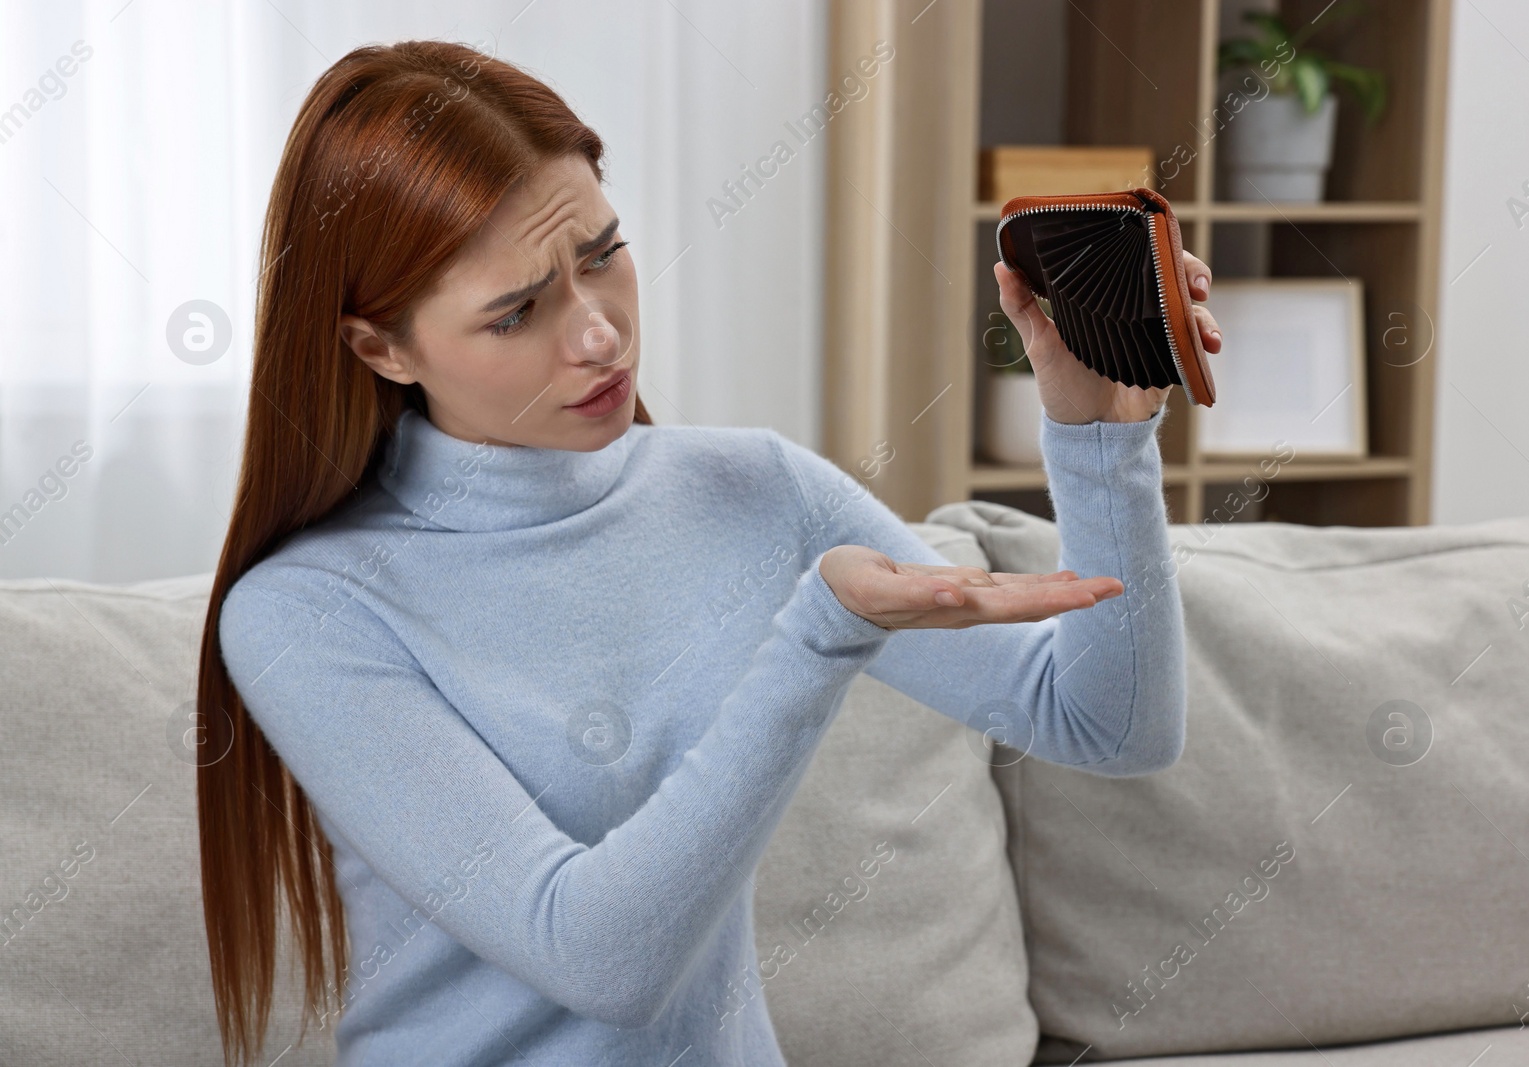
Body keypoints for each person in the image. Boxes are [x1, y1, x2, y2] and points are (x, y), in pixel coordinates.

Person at [195, 39, 1222, 1067]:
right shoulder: (305, 611)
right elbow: (598, 957)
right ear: (381, 347)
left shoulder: (754, 491)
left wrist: (1100, 443)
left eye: (601, 253)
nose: (597, 335)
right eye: (515, 311)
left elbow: (1109, 724)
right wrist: (820, 636)